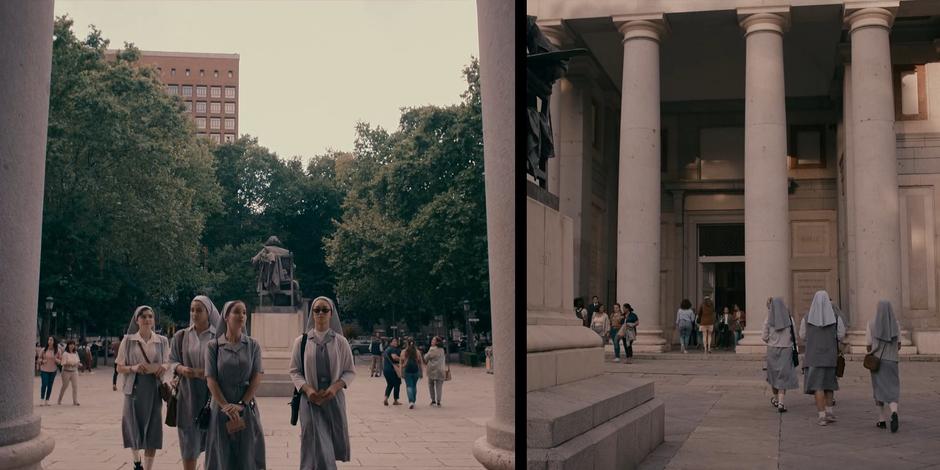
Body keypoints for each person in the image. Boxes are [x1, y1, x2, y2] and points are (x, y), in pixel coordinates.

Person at [288, 296, 355, 469]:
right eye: (316, 310)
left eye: (324, 310)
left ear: (331, 313)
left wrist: (334, 388)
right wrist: (308, 389)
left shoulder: (341, 342)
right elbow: (295, 370)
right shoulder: (301, 341)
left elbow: (349, 371)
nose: (320, 313)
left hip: (333, 399)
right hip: (310, 400)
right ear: (312, 313)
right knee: (313, 440)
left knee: (328, 440)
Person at [204, 300, 265, 469]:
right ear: (226, 316)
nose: (242, 316)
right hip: (221, 407)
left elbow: (257, 377)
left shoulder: (253, 345)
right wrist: (225, 406)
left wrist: (241, 404)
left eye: (244, 312)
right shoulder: (213, 346)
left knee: (248, 453)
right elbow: (211, 379)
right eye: (237, 312)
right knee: (221, 453)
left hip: (246, 406)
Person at [168, 295, 221, 470]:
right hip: (187, 394)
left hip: (211, 394)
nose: (194, 313)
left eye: (199, 310)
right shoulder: (181, 336)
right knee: (188, 441)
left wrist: (203, 373)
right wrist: (182, 369)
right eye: (192, 309)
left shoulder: (218, 337)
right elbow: (173, 361)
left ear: (209, 312)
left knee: (214, 441)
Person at [116, 306, 170, 470]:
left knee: (153, 427)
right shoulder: (128, 340)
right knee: (133, 426)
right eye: (143, 316)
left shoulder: (162, 341)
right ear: (137, 320)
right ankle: (136, 460)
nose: (147, 319)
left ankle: (148, 468)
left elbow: (168, 361)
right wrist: (134, 368)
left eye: (150, 316)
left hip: (154, 388)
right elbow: (119, 367)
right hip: (134, 388)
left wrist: (164, 367)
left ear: (153, 320)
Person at [800, 290, 845, 426]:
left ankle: (821, 415)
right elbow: (841, 335)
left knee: (817, 386)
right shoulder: (836, 317)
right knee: (829, 385)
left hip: (813, 356)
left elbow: (802, 335)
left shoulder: (807, 318)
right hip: (830, 356)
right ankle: (830, 412)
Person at [867, 300, 902, 433]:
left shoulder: (871, 324)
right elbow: (899, 344)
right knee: (893, 388)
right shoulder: (896, 324)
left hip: (877, 362)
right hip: (892, 360)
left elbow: (868, 345)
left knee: (878, 389)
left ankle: (881, 420)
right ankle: (894, 412)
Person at [763, 297, 798, 412]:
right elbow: (794, 336)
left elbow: (764, 337)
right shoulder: (789, 319)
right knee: (783, 376)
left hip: (772, 349)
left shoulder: (768, 319)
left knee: (773, 375)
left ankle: (776, 399)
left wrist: (772, 340)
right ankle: (781, 403)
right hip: (786, 349)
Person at [400, 339, 426, 409]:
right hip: (416, 370)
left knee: (409, 386)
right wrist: (421, 372)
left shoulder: (404, 352)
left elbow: (401, 362)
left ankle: (411, 401)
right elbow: (420, 362)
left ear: (407, 344)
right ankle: (413, 400)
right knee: (414, 385)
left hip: (407, 370)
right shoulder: (417, 352)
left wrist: (401, 372)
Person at [37, 336, 61, 406]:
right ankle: (42, 399)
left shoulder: (58, 350)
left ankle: (47, 400)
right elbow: (38, 359)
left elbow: (60, 361)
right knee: (44, 384)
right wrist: (42, 361)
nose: (49, 341)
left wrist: (57, 360)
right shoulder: (43, 350)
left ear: (54, 342)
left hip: (53, 370)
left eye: (51, 340)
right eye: (49, 340)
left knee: (50, 385)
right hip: (44, 369)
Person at [423, 336, 446, 407]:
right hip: (441, 369)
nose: (431, 341)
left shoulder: (432, 349)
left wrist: (425, 355)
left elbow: (426, 358)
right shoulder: (442, 349)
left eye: (433, 340)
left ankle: (433, 400)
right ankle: (439, 401)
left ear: (437, 342)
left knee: (431, 385)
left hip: (432, 370)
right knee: (439, 386)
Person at [57, 340, 81, 406]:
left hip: (74, 371)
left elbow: (78, 361)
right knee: (65, 386)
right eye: (70, 344)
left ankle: (75, 401)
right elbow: (63, 363)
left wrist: (78, 364)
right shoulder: (65, 353)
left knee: (75, 386)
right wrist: (71, 363)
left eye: (73, 344)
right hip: (66, 372)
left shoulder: (76, 353)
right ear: (68, 345)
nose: (72, 346)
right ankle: (59, 399)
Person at [382, 339, 402, 406]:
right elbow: (394, 357)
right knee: (397, 383)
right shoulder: (392, 349)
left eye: (396, 341)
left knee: (390, 384)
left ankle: (386, 398)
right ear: (391, 343)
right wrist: (402, 359)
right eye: (394, 341)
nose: (396, 343)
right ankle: (395, 400)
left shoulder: (386, 350)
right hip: (393, 370)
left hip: (385, 369)